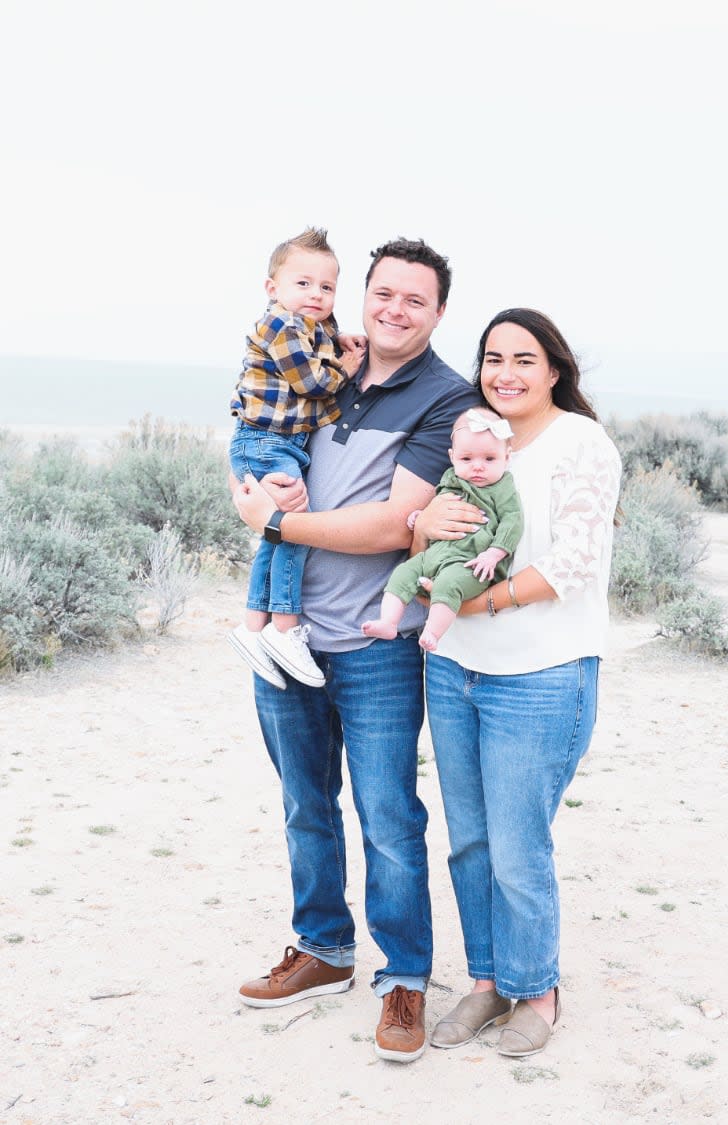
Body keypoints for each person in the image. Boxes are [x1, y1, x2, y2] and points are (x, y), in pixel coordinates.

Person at [231, 238, 480, 1063]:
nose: (395, 309)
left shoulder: (446, 398)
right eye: (384, 293)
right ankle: (323, 950)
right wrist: (255, 490)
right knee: (305, 806)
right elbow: (259, 439)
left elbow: (390, 524)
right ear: (364, 296)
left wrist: (272, 522)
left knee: (388, 820)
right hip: (288, 638)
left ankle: (403, 976)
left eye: (415, 299)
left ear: (438, 312)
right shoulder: (326, 363)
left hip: (377, 647)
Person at [418, 308, 622, 1058]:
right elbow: (433, 534)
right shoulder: (474, 436)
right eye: (492, 358)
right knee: (468, 841)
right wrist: (426, 527)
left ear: (554, 370)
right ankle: (486, 981)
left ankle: (537, 988)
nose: (505, 373)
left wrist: (485, 600)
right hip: (453, 668)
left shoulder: (580, 443)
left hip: (541, 674)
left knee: (516, 844)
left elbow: (573, 562)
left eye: (523, 359)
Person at [228, 227, 364, 691]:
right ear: (274, 289)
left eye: (326, 287)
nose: (316, 295)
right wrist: (345, 369)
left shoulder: (312, 327)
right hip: (266, 441)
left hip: (276, 443)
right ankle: (284, 629)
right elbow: (311, 383)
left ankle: (253, 626)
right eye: (303, 284)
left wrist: (339, 338)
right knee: (293, 529)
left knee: (275, 533)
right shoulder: (280, 326)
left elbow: (322, 339)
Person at [362, 406, 523, 652]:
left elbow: (512, 520)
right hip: (436, 554)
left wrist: (495, 553)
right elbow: (439, 504)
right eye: (466, 459)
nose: (477, 467)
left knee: (448, 584)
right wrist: (422, 516)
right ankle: (388, 622)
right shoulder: (451, 478)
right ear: (452, 456)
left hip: (472, 562)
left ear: (507, 457)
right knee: (403, 573)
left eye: (489, 459)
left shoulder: (502, 487)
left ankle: (433, 632)